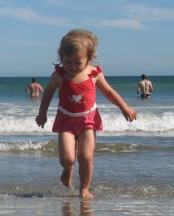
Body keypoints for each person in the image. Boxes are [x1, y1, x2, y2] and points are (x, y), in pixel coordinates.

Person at [35, 29, 136, 198]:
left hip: (88, 119)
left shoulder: (94, 73)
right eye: (68, 62)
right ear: (61, 57)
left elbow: (109, 92)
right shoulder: (58, 75)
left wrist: (124, 107)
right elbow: (47, 95)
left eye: (78, 62)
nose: (73, 67)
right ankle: (68, 169)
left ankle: (84, 188)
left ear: (89, 59)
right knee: (67, 158)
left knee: (86, 155)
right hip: (66, 118)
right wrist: (42, 114)